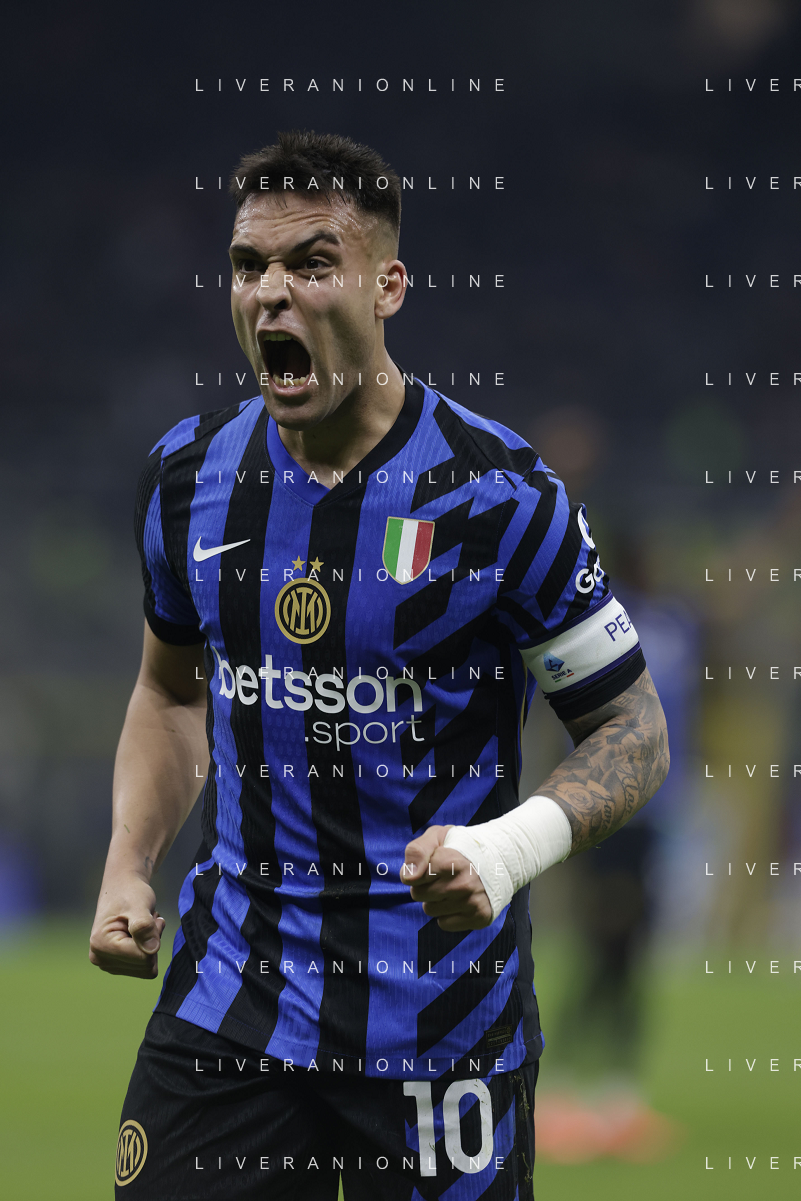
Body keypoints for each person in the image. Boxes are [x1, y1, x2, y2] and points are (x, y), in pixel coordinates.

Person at [89, 130, 669, 1200]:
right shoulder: (186, 477)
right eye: (249, 265)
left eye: (313, 262)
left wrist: (504, 850)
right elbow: (168, 691)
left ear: (387, 286)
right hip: (231, 1007)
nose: (272, 292)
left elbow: (634, 729)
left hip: (440, 1030)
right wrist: (131, 860)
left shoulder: (501, 498)